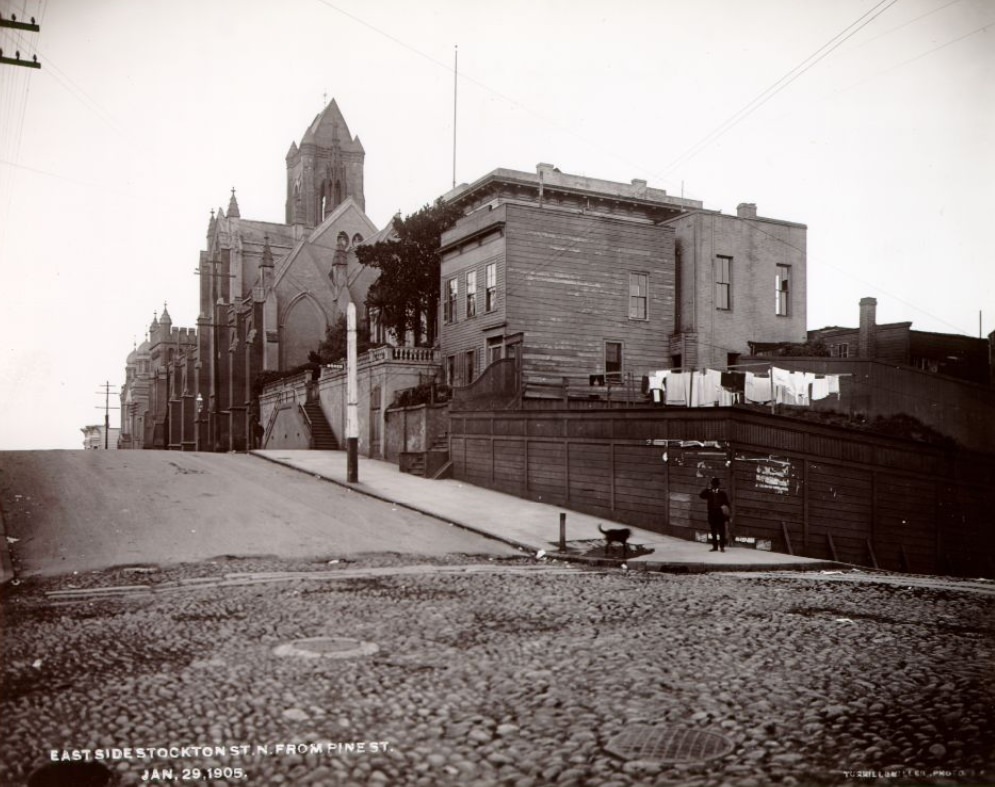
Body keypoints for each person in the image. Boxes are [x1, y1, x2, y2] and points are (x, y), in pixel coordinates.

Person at [699, 477, 731, 552]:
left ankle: (722, 547)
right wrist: (707, 489)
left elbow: (727, 504)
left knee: (721, 531)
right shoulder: (709, 493)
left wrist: (727, 514)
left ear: (718, 486)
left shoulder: (722, 494)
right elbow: (701, 496)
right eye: (713, 485)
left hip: (720, 515)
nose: (714, 486)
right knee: (713, 531)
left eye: (716, 485)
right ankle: (715, 547)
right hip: (712, 514)